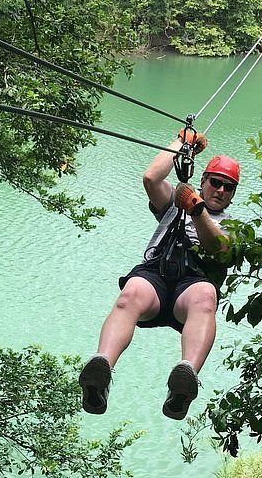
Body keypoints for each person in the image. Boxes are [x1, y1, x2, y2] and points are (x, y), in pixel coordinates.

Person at [79, 129, 240, 420]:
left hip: (193, 284)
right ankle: (100, 372)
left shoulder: (231, 225)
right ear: (203, 181)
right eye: (215, 182)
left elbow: (219, 248)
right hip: (157, 274)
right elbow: (151, 178)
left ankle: (184, 381)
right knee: (130, 293)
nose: (220, 190)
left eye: (228, 188)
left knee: (206, 297)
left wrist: (196, 209)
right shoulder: (172, 207)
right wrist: (183, 143)